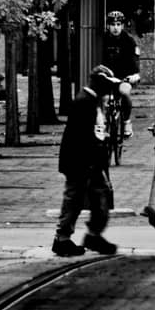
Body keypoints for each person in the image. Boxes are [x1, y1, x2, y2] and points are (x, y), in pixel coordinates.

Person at [53, 65, 122, 257]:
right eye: (107, 85)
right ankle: (63, 238)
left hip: (89, 162)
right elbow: (82, 137)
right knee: (74, 199)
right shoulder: (84, 102)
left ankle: (91, 235)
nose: (110, 89)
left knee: (98, 197)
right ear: (98, 82)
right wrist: (92, 163)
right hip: (81, 162)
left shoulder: (92, 101)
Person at [101, 10, 140, 138]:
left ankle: (126, 122)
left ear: (122, 25)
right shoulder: (103, 39)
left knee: (125, 93)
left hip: (124, 77)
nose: (115, 27)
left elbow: (134, 61)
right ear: (108, 26)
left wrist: (134, 75)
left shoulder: (129, 41)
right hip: (106, 77)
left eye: (118, 24)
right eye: (113, 24)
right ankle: (102, 124)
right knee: (103, 98)